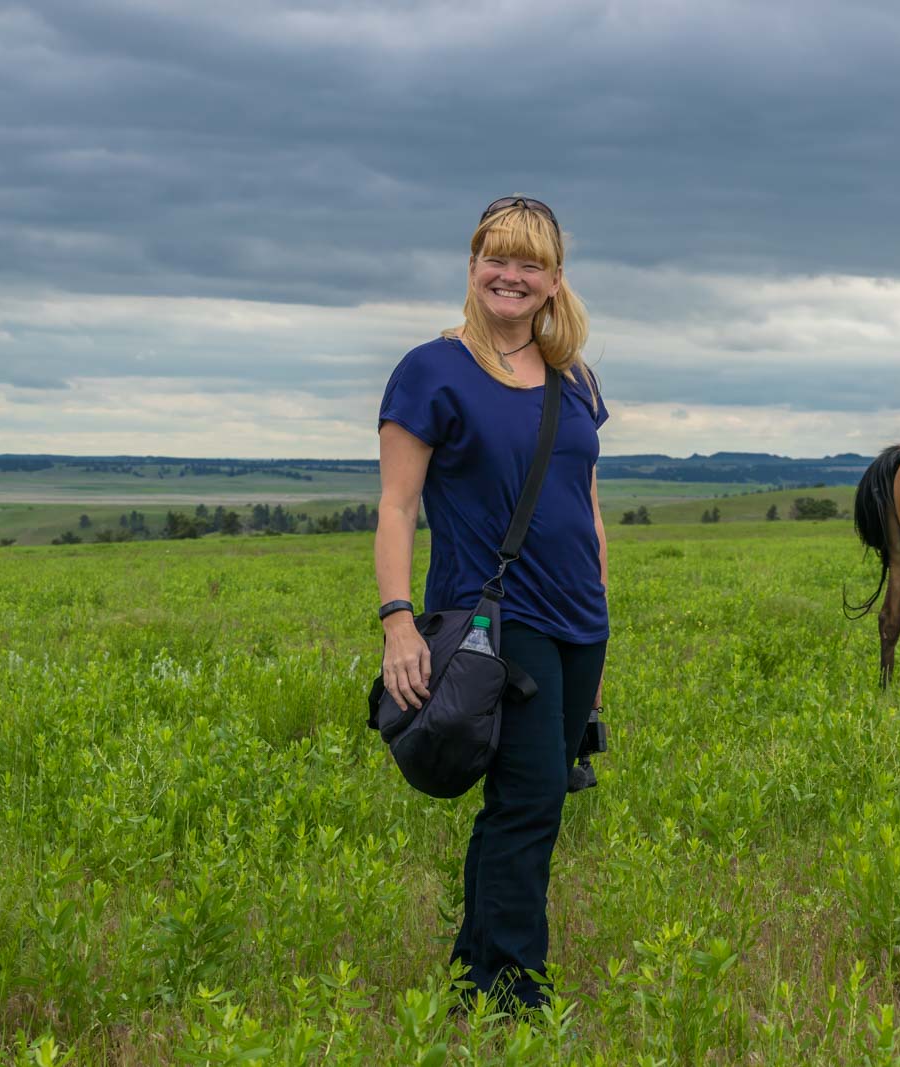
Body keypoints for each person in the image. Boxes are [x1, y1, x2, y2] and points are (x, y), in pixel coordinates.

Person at [374, 195, 609, 1012]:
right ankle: (514, 993)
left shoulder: (574, 378)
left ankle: (478, 973)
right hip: (495, 621)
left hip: (581, 620)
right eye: (495, 258)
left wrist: (602, 623)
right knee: (531, 798)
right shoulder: (430, 372)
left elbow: (586, 502)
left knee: (531, 796)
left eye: (529, 263)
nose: (510, 274)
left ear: (552, 281)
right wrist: (397, 620)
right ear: (473, 268)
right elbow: (398, 506)